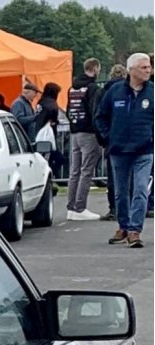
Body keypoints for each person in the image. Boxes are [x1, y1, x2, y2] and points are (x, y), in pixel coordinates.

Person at [95, 52, 154, 248]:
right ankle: (123, 226)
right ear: (131, 70)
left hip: (144, 149)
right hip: (119, 150)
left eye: (149, 67)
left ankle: (135, 230)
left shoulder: (152, 92)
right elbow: (100, 117)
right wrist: (107, 138)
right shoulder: (114, 91)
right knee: (120, 192)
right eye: (144, 67)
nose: (149, 71)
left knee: (140, 190)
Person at [66, 58, 103, 220]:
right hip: (88, 132)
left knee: (75, 171)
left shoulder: (72, 88)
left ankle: (71, 207)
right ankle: (80, 207)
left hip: (74, 131)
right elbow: (94, 111)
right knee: (86, 170)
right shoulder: (93, 88)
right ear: (95, 69)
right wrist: (100, 132)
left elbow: (68, 109)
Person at [97, 64, 129, 220]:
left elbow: (99, 114)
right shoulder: (128, 90)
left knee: (113, 175)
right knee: (131, 177)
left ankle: (113, 208)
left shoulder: (105, 91)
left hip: (112, 139)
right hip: (128, 138)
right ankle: (129, 209)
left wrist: (105, 136)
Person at [32, 82, 61, 160]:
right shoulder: (52, 104)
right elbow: (53, 120)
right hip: (48, 134)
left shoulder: (41, 102)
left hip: (37, 132)